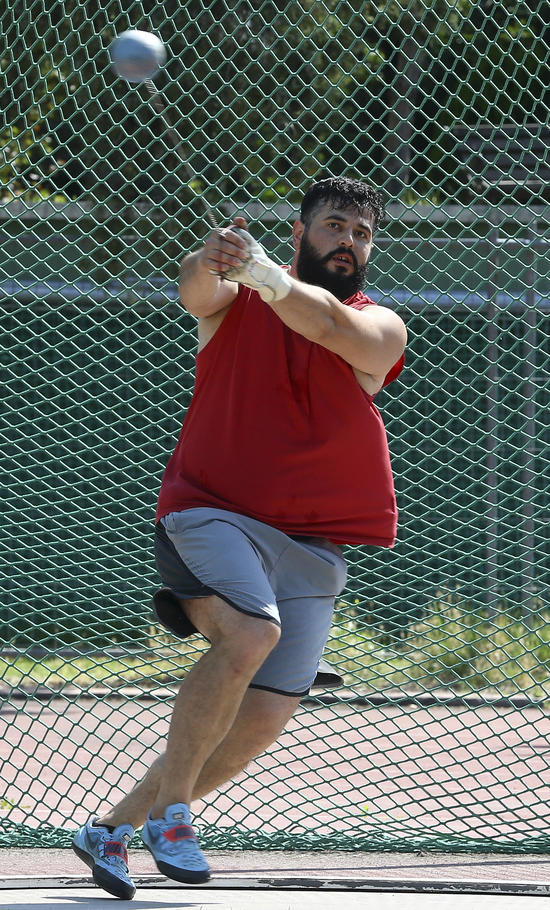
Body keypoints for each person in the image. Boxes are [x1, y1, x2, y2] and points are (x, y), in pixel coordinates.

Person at [71, 176, 407, 899]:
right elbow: (196, 288)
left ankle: (111, 829)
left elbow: (327, 326)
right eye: (334, 225)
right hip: (212, 511)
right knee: (252, 633)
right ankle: (173, 817)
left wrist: (265, 275)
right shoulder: (237, 299)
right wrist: (214, 257)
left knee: (262, 718)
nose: (348, 241)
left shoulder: (380, 327)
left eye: (361, 233)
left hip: (310, 546)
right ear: (299, 233)